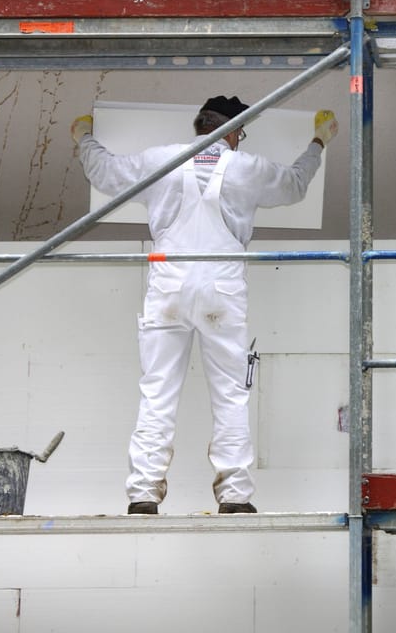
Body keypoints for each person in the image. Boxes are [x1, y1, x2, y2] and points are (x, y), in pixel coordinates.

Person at [71, 96, 339, 515]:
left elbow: (105, 172)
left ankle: (143, 494)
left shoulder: (160, 160)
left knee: (157, 391)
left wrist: (84, 136)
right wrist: (319, 143)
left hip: (169, 288)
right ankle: (234, 495)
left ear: (201, 126)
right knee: (231, 395)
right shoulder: (245, 167)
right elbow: (294, 184)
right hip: (221, 289)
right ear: (233, 131)